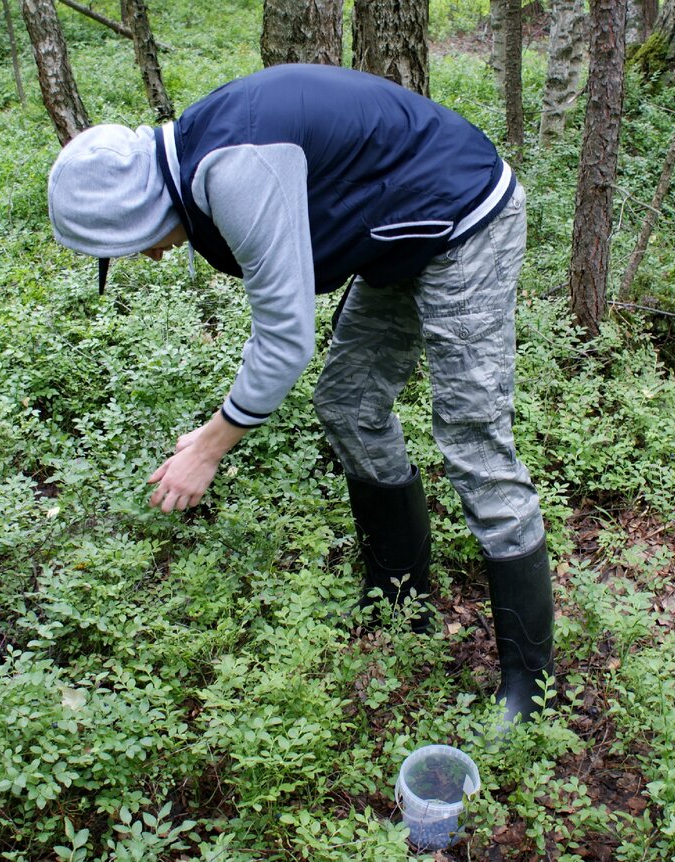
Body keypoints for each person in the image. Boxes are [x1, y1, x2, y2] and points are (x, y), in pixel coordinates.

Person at [46, 64, 553, 724]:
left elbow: (285, 341)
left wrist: (209, 447)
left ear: (135, 208)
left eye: (129, 243)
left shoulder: (235, 170)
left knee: (472, 440)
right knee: (347, 404)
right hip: (398, 233)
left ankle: (528, 691)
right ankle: (398, 598)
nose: (146, 256)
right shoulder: (197, 157)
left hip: (463, 219)